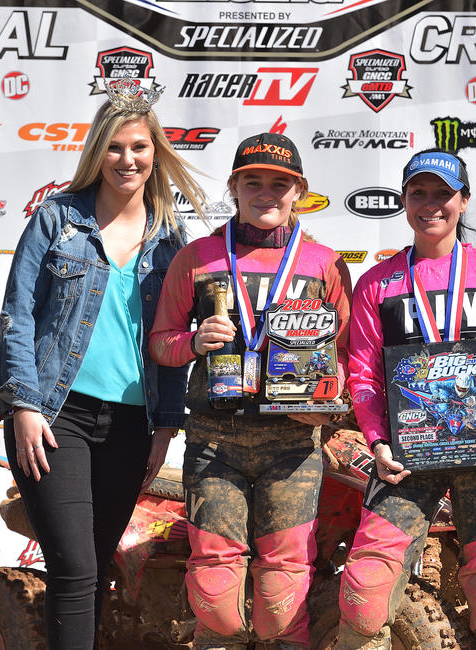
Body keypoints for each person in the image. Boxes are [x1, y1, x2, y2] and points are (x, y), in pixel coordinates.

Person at [0, 80, 208, 649]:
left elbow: (169, 340)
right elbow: (16, 314)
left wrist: (165, 425)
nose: (126, 159)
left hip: (131, 426)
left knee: (95, 575)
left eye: (138, 147)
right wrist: (23, 405)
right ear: (96, 153)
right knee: (74, 570)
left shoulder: (170, 238)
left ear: (154, 153)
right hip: (56, 417)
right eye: (113, 147)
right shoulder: (57, 219)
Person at [150, 132, 353, 648]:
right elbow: (161, 344)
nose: (267, 193)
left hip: (292, 445)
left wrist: (326, 404)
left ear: (300, 190)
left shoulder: (325, 264)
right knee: (215, 589)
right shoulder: (196, 258)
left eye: (280, 183)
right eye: (253, 181)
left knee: (284, 585)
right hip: (215, 440)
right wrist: (193, 342)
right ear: (234, 187)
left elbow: (349, 358)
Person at [337, 148, 476, 649]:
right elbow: (362, 374)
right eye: (418, 193)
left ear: (464, 201)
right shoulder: (376, 283)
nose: (431, 204)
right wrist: (378, 441)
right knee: (365, 591)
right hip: (405, 457)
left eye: (443, 194)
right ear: (404, 201)